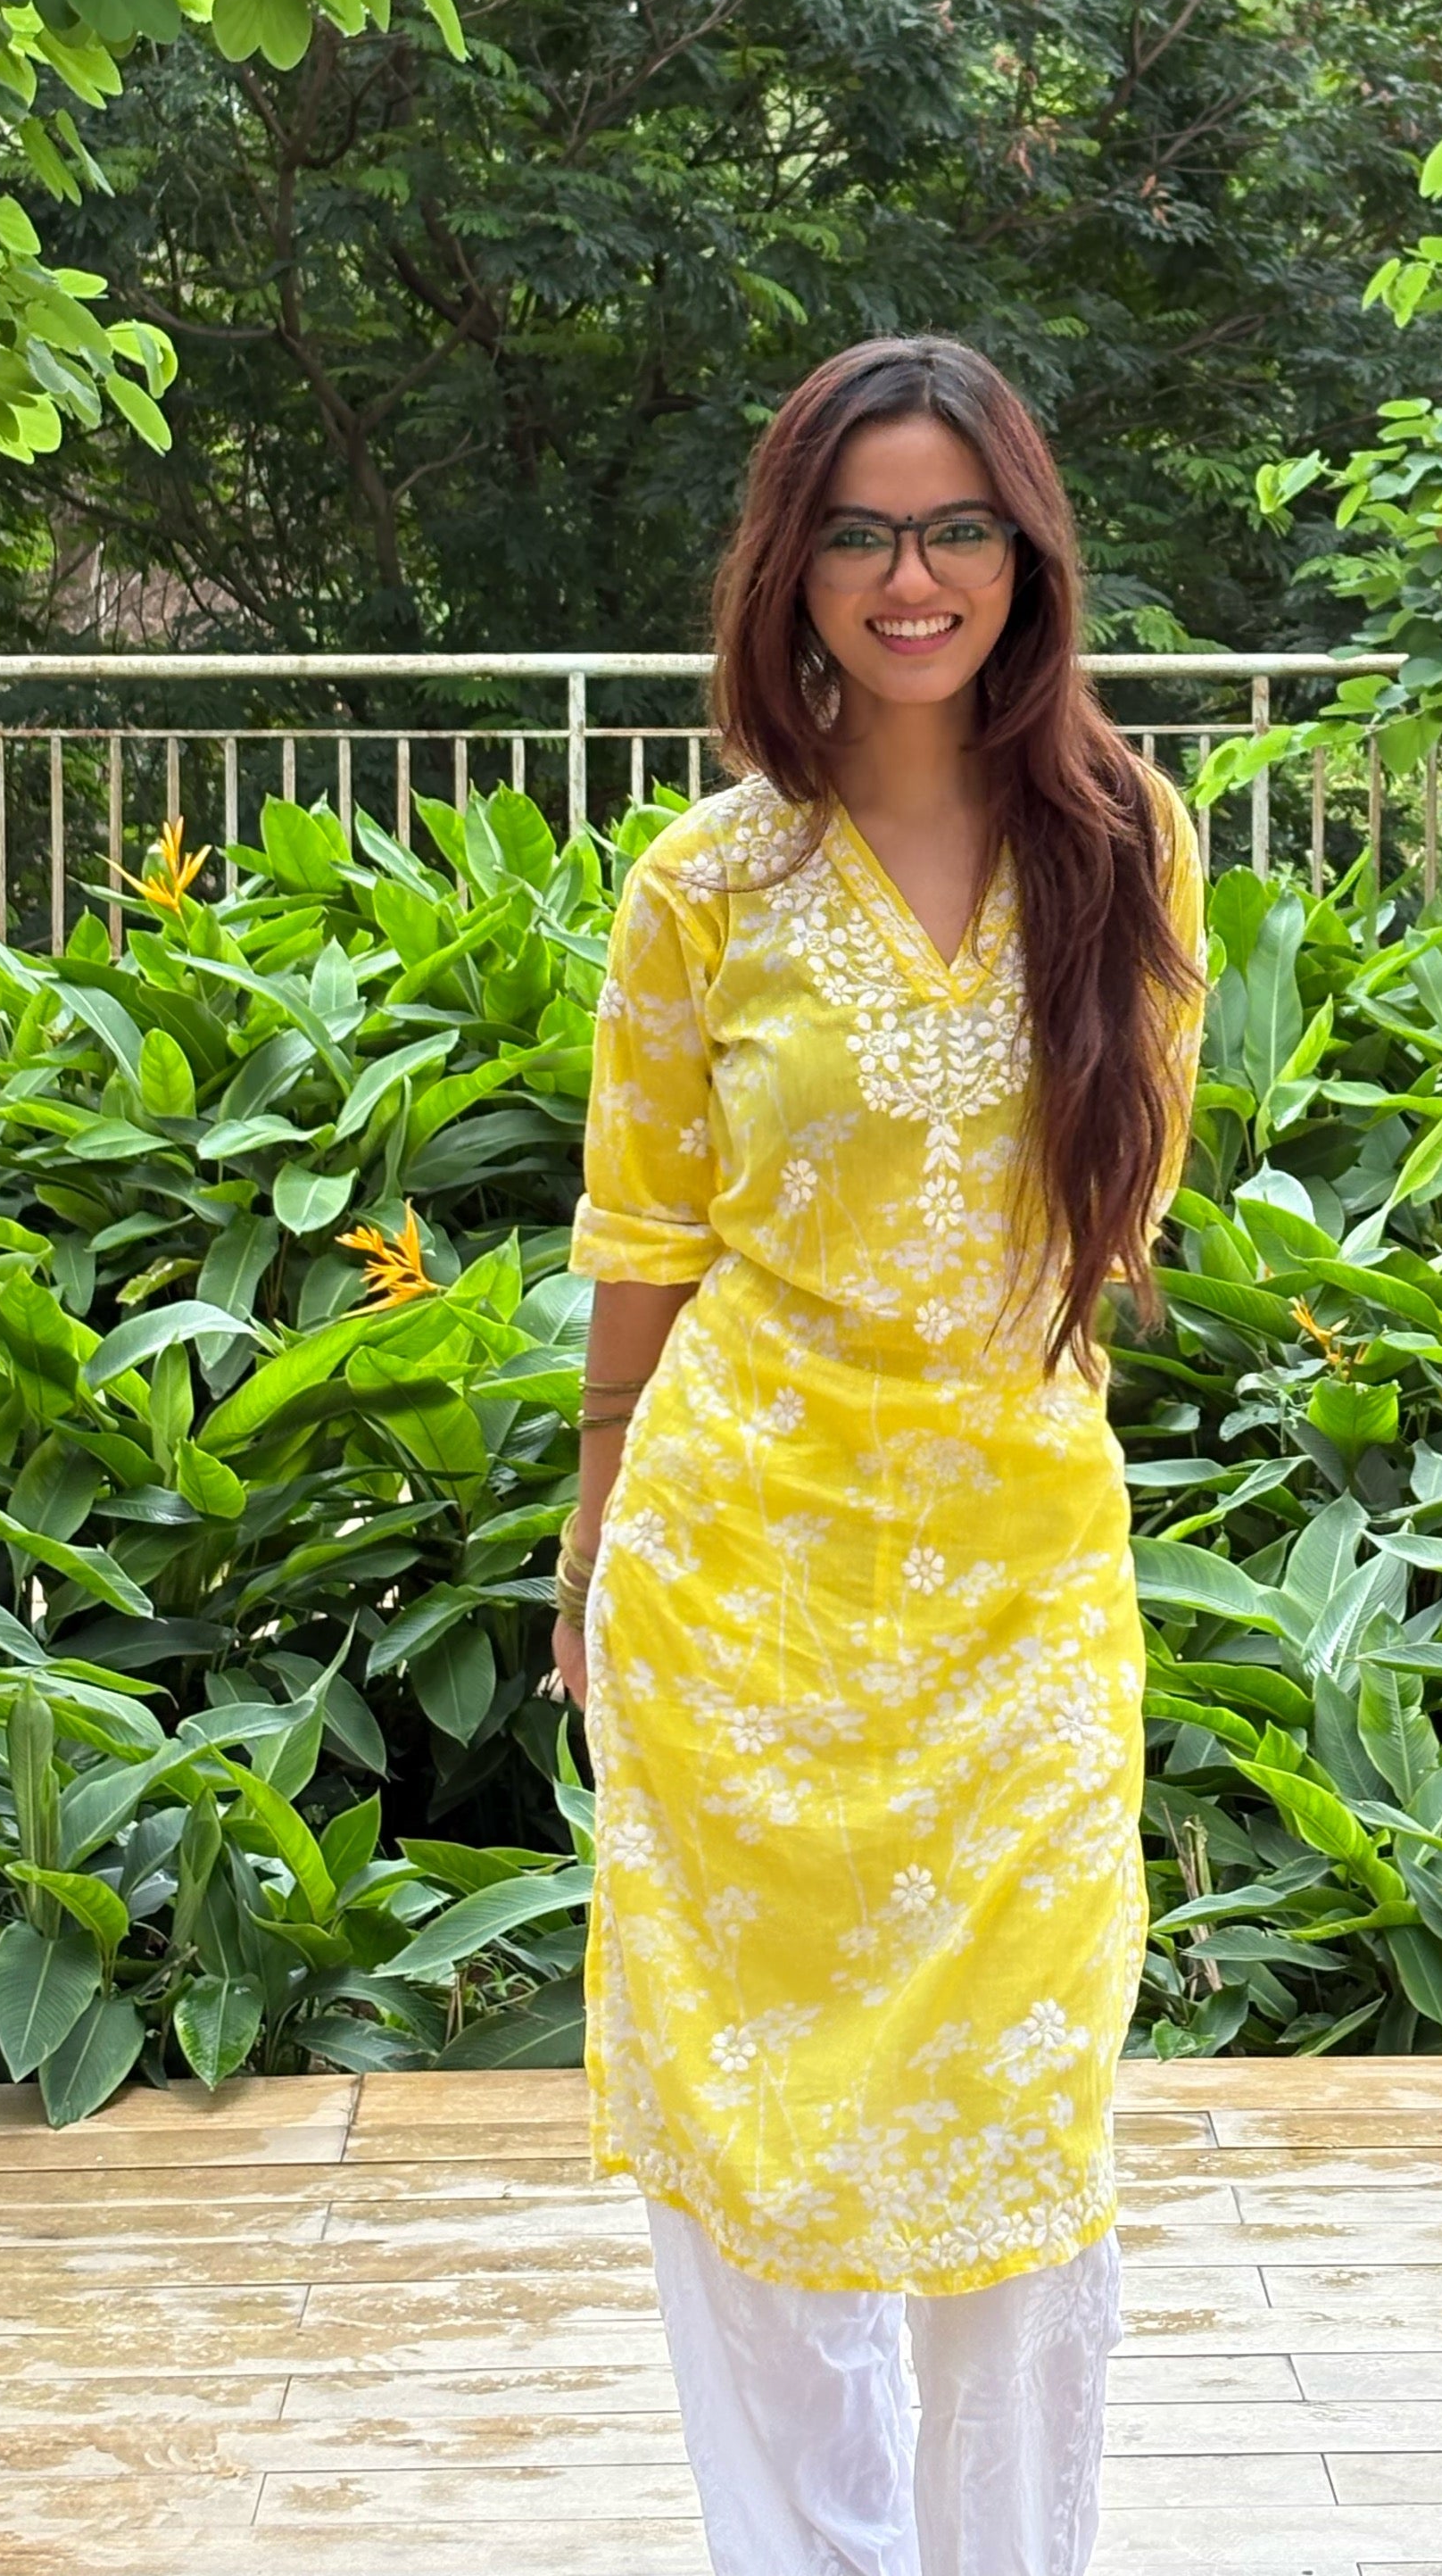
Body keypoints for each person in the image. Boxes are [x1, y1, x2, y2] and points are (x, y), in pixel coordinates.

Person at [551, 334, 1207, 2576]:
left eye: (953, 526)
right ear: (792, 566)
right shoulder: (705, 887)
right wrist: (596, 1524)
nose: (907, 573)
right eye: (858, 528)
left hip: (1020, 1583)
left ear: (1025, 556)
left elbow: (1116, 1211)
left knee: (1030, 2115)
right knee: (757, 2129)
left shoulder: (1131, 848)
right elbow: (642, 1218)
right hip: (745, 1574)